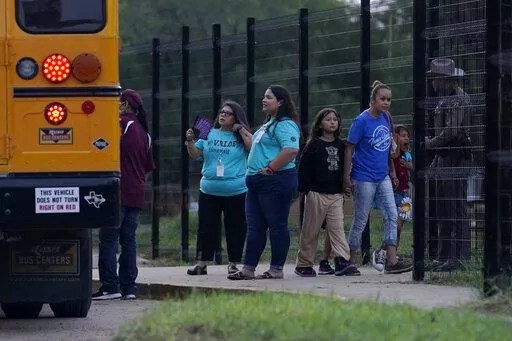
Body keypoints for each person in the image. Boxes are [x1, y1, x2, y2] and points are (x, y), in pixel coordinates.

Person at [228, 85, 300, 280]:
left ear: (280, 102)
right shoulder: (268, 124)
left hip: (275, 181)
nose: (264, 100)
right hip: (255, 183)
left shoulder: (285, 124)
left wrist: (271, 168)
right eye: (264, 96)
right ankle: (248, 268)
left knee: (276, 226)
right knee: (254, 227)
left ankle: (276, 268)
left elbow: (291, 149)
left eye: (268, 97)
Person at [343, 80, 412, 274]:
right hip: (363, 176)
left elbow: (388, 146)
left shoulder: (387, 117)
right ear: (373, 100)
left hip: (383, 176)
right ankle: (350, 260)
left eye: (389, 99)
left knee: (392, 215)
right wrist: (346, 177)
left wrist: (391, 170)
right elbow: (349, 148)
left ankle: (391, 260)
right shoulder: (361, 121)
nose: (386, 103)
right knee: (361, 218)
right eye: (382, 99)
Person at [93, 89, 155, 300]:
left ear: (126, 105)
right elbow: (148, 166)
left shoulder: (120, 124)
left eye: (119, 102)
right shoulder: (145, 133)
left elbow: (102, 148)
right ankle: (129, 288)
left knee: (108, 239)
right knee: (128, 239)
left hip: (117, 190)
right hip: (137, 192)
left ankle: (110, 286)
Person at [185, 100, 252, 275]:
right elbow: (195, 154)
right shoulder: (209, 133)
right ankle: (202, 263)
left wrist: (240, 129)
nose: (223, 115)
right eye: (221, 112)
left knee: (236, 227)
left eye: (228, 113)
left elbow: (253, 146)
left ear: (236, 117)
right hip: (209, 190)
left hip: (236, 191)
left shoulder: (240, 136)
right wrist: (190, 141)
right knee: (206, 227)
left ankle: (234, 264)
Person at [295, 108, 360, 277]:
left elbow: (345, 168)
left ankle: (342, 260)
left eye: (335, 119)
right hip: (316, 193)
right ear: (320, 124)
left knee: (337, 228)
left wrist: (344, 185)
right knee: (311, 230)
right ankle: (304, 264)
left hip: (335, 194)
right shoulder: (313, 144)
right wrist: (305, 189)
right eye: (328, 119)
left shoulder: (341, 145)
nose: (332, 122)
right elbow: (303, 168)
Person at [425, 58, 471, 271]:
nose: (431, 82)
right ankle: (444, 255)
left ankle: (459, 256)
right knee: (443, 208)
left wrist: (429, 144)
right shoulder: (445, 98)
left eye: (434, 78)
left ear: (444, 79)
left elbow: (452, 131)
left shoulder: (458, 98)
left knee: (456, 208)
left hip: (455, 157)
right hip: (443, 159)